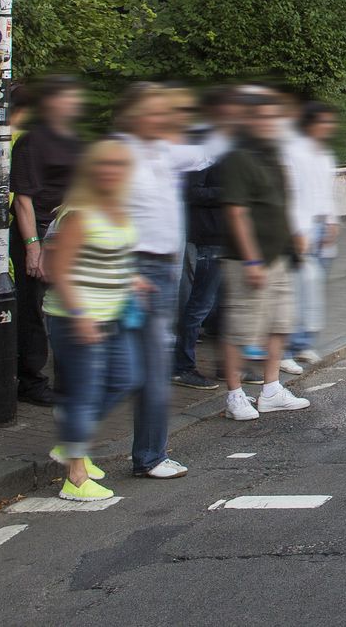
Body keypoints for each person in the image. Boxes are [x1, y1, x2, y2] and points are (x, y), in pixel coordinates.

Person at [114, 83, 216, 476]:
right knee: (135, 369)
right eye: (159, 112)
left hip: (158, 272)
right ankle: (142, 455)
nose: (169, 118)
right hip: (135, 271)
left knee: (146, 368)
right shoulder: (121, 155)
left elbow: (208, 151)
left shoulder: (161, 151)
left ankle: (148, 455)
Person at [42, 139, 145, 501]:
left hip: (113, 315)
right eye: (106, 164)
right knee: (85, 394)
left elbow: (112, 254)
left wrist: (131, 279)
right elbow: (59, 270)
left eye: (120, 165)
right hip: (77, 318)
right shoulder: (78, 213)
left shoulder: (117, 208)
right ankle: (76, 478)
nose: (113, 171)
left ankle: (72, 437)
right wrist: (80, 315)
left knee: (125, 378)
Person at [217, 90, 313, 420]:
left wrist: (295, 234)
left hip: (280, 257)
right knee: (239, 330)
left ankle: (271, 390)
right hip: (249, 261)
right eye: (263, 117)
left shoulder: (274, 155)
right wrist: (252, 259)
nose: (271, 123)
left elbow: (282, 203)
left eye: (275, 117)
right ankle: (234, 395)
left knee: (279, 324)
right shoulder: (238, 157)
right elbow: (236, 212)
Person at [9, 76, 84, 408]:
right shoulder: (31, 143)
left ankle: (69, 378)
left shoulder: (73, 140)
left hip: (66, 233)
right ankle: (31, 380)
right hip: (37, 230)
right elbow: (22, 199)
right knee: (33, 310)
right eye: (66, 97)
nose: (73, 103)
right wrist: (33, 246)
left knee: (66, 306)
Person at [172, 87, 242, 390]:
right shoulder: (201, 146)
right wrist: (229, 194)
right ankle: (182, 366)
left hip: (228, 237)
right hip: (210, 236)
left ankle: (227, 367)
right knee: (199, 305)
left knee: (225, 306)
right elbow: (190, 191)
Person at [283, 100, 340, 366]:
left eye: (330, 122)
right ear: (309, 123)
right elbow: (291, 193)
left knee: (314, 289)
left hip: (321, 226)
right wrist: (297, 230)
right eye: (323, 121)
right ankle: (284, 351)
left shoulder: (324, 154)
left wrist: (331, 221)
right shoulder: (293, 152)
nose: (328, 126)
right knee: (296, 291)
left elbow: (326, 191)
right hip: (302, 228)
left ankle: (303, 343)